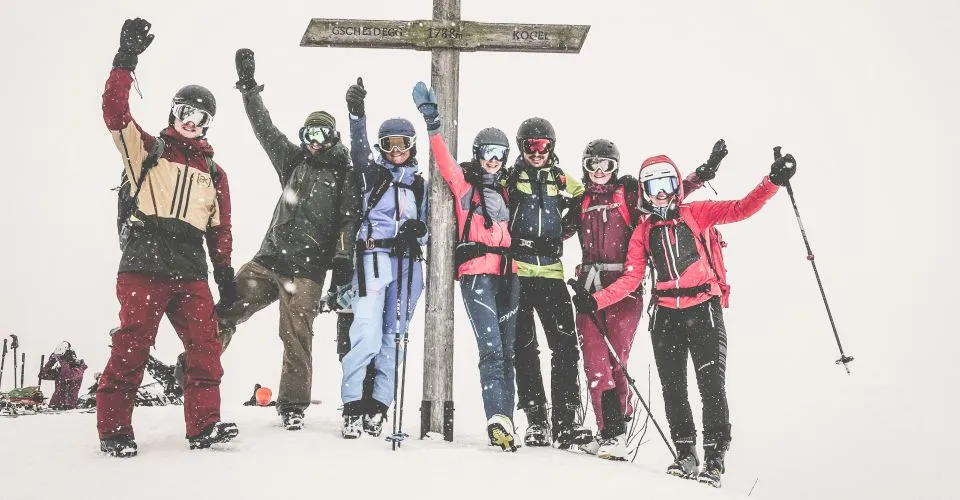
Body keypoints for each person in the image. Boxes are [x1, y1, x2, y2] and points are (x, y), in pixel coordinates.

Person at [571, 147, 797, 486]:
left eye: (666, 183)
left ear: (676, 185)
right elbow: (631, 278)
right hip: (665, 315)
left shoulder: (697, 213)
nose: (660, 192)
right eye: (652, 186)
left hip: (703, 308)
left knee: (710, 385)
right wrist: (595, 301)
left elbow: (741, 208)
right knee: (673, 388)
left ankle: (715, 456)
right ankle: (685, 452)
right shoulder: (644, 231)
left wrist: (772, 182)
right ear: (644, 193)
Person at [184, 48, 359, 431]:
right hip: (269, 260)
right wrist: (249, 88)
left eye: (321, 134)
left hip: (308, 271)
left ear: (332, 137)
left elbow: (349, 220)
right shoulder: (292, 160)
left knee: (295, 334)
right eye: (308, 133)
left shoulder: (344, 173)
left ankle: (292, 404)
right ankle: (192, 369)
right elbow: (264, 129)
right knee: (226, 308)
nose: (314, 141)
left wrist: (343, 258)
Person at [98, 18, 238, 457]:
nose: (191, 122)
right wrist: (126, 61)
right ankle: (115, 430)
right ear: (174, 113)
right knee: (132, 345)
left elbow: (220, 228)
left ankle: (204, 426)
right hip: (144, 263)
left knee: (205, 347)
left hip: (190, 267)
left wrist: (225, 273)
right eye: (185, 112)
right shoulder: (147, 150)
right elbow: (114, 112)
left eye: (201, 116)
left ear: (209, 123)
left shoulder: (214, 173)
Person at [566, 139, 724, 460]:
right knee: (595, 363)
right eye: (592, 164)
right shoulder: (580, 201)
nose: (599, 172)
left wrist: (703, 173)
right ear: (584, 167)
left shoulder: (628, 195)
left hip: (626, 289)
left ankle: (617, 427)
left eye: (606, 165)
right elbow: (554, 230)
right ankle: (609, 432)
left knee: (616, 361)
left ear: (616, 167)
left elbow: (668, 195)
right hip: (590, 290)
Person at [412, 82, 520, 451]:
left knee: (509, 351)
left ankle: (507, 419)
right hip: (476, 276)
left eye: (500, 154)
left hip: (508, 276)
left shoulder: (505, 190)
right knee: (491, 349)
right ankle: (495, 419)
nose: (493, 159)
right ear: (478, 153)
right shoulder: (466, 186)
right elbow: (445, 164)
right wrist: (433, 126)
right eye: (488, 152)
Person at [339, 77, 428, 439]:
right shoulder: (372, 175)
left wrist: (416, 230)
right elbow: (358, 151)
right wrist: (356, 115)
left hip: (408, 264)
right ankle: (352, 405)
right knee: (367, 332)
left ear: (411, 146)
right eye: (389, 144)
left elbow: (429, 223)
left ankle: (379, 406)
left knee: (395, 336)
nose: (395, 151)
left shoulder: (419, 184)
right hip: (375, 257)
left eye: (402, 144)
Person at [503, 117, 592, 448]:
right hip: (520, 273)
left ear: (552, 147)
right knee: (525, 349)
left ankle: (565, 422)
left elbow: (584, 194)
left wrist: (570, 219)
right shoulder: (512, 178)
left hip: (552, 273)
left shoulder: (558, 177)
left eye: (544, 146)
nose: (538, 152)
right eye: (531, 146)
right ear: (522, 147)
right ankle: (537, 420)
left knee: (566, 347)